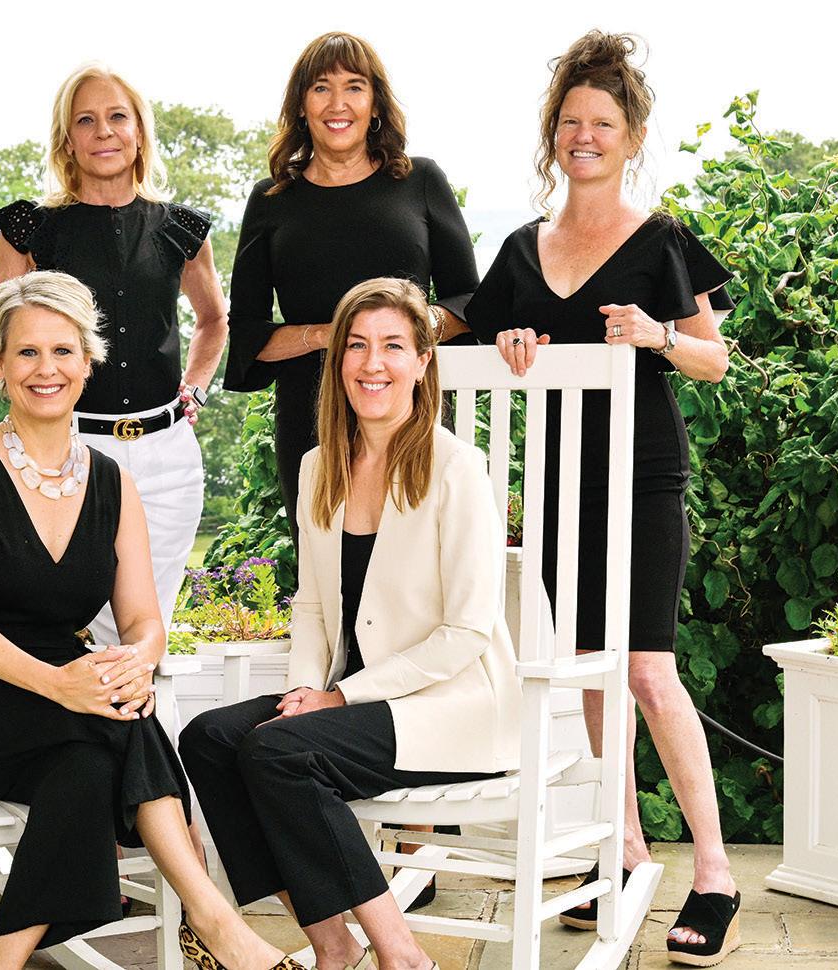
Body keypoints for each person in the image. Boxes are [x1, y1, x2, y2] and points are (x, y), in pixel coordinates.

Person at [0, 271, 304, 970]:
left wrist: (135, 661)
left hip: (65, 715)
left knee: (84, 770)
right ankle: (214, 920)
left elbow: (143, 621)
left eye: (62, 351)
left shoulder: (113, 483)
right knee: (117, 720)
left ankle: (1, 965)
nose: (46, 369)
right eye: (27, 352)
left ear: (87, 362)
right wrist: (60, 684)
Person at [463, 31, 741, 967]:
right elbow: (472, 341)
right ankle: (621, 849)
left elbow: (713, 360)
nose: (585, 136)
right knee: (588, 664)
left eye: (604, 124)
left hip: (643, 475)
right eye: (571, 122)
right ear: (554, 135)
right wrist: (504, 343)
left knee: (648, 671)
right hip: (557, 482)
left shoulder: (661, 240)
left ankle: (714, 873)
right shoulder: (521, 248)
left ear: (632, 138)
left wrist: (658, 334)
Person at [179, 278, 522, 970]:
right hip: (352, 701)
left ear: (423, 361)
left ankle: (402, 956)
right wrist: (304, 690)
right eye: (356, 346)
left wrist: (337, 698)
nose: (373, 363)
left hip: (449, 705)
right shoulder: (320, 467)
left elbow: (465, 633)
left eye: (393, 346)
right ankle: (333, 947)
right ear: (337, 363)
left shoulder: (456, 468)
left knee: (279, 753)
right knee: (209, 739)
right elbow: (312, 604)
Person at [0, 62, 227, 643]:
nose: (103, 132)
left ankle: (137, 703)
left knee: (149, 625)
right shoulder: (30, 230)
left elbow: (214, 320)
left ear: (139, 132)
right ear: (66, 139)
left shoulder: (180, 229)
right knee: (90, 628)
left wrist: (195, 387)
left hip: (169, 458)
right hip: (70, 451)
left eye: (117, 117)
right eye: (86, 120)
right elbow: (5, 337)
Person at [224, 31, 480, 551]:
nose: (337, 104)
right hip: (311, 419)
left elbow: (468, 302)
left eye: (354, 87)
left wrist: (408, 330)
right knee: (328, 572)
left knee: (422, 565)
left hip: (412, 413)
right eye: (321, 88)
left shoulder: (421, 181)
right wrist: (335, 335)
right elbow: (248, 335)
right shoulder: (271, 200)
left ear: (376, 104)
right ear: (301, 106)